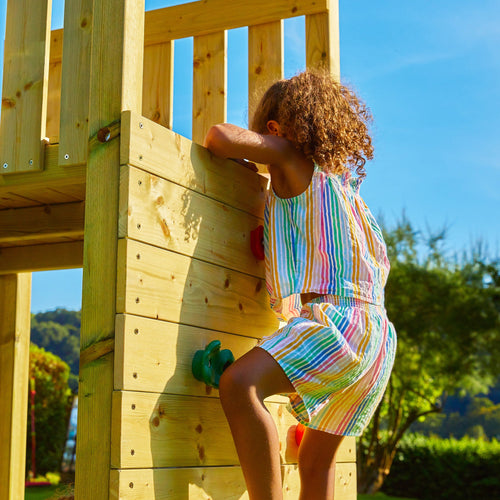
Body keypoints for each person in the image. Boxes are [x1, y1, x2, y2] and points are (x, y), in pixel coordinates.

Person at [203, 69, 397, 500]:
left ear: (275, 130)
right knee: (314, 461)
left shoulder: (288, 158)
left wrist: (253, 152)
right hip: (377, 338)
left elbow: (219, 137)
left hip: (340, 322)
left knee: (238, 384)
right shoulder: (340, 187)